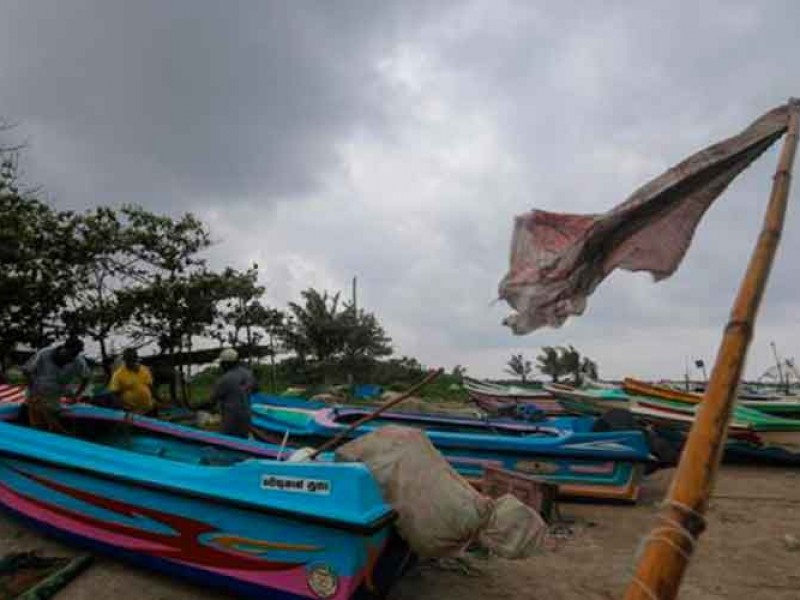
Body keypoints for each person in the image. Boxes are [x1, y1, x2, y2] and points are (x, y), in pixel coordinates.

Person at [23, 336, 90, 431]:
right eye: (71, 354)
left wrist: (76, 395)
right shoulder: (44, 354)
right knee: (37, 427)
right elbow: (27, 371)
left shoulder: (78, 362)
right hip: (36, 396)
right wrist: (33, 391)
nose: (72, 358)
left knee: (52, 424)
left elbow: (86, 377)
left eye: (75, 355)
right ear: (64, 348)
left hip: (55, 398)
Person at [211, 349, 255, 438]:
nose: (220, 365)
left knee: (227, 443)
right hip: (247, 417)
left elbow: (212, 400)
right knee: (242, 442)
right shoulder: (248, 374)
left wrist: (195, 407)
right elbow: (256, 389)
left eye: (222, 363)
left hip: (231, 419)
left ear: (226, 364)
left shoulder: (225, 379)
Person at [108, 348, 156, 415]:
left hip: (148, 408)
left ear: (136, 359)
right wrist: (122, 407)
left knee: (152, 424)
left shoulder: (145, 369)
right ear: (125, 360)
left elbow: (150, 386)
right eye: (128, 360)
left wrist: (154, 399)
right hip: (131, 411)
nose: (131, 362)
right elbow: (113, 394)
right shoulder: (118, 374)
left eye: (133, 359)